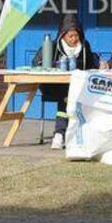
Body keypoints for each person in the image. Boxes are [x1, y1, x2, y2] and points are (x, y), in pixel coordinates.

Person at [32, 13, 98, 149]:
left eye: (76, 35)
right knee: (67, 95)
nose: (74, 39)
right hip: (53, 86)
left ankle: (64, 133)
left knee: (70, 94)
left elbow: (91, 65)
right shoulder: (52, 45)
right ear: (63, 35)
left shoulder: (85, 47)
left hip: (79, 87)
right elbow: (36, 62)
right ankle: (60, 133)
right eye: (70, 36)